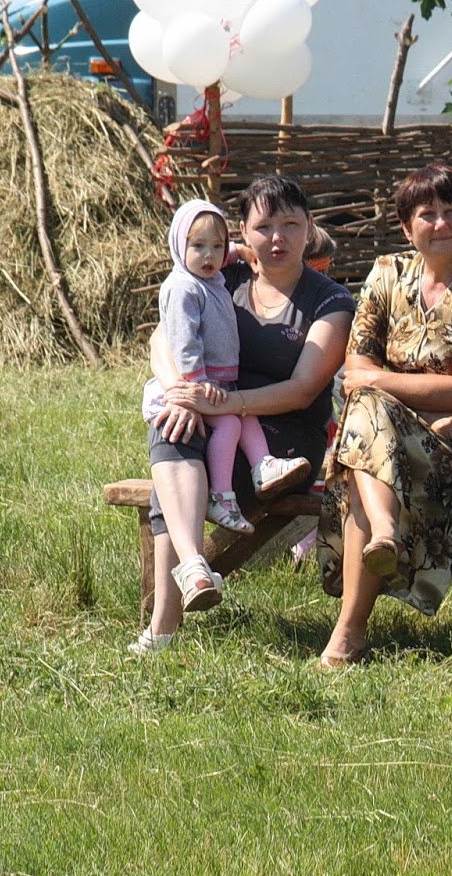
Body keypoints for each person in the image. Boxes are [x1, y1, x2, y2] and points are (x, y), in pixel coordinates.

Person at [316, 164, 452, 668]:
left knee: (365, 443)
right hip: (407, 435)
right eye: (427, 215)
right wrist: (424, 413)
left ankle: (350, 629)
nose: (440, 224)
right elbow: (354, 367)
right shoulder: (386, 273)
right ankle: (381, 544)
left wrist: (387, 389)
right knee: (371, 440)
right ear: (406, 227)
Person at [129, 174, 354, 654]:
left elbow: (302, 390)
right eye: (264, 226)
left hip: (281, 441)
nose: (278, 238)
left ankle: (163, 626)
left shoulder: (330, 301)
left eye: (291, 225)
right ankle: (192, 574)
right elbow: (160, 337)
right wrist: (180, 392)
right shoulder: (218, 275)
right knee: (173, 431)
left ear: (310, 228)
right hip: (210, 413)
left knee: (180, 473)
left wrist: (223, 404)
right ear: (243, 234)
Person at [142, 199, 314, 538]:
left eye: (216, 247)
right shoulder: (182, 287)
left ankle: (263, 465)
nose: (209, 256)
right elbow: (183, 340)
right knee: (229, 428)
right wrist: (196, 385)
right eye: (198, 247)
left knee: (245, 418)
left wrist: (237, 250)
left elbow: (223, 248)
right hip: (201, 385)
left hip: (223, 384)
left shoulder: (214, 276)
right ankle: (221, 497)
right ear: (179, 246)